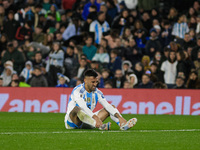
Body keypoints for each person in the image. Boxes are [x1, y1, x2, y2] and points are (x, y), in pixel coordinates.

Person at [64, 69, 137, 130]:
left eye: (96, 82)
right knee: (77, 109)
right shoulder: (78, 90)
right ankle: (99, 125)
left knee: (111, 107)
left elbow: (107, 105)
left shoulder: (97, 92)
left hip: (88, 121)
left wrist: (120, 117)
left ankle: (123, 125)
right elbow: (83, 106)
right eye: (93, 82)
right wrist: (96, 118)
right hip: (72, 122)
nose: (95, 84)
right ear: (85, 80)